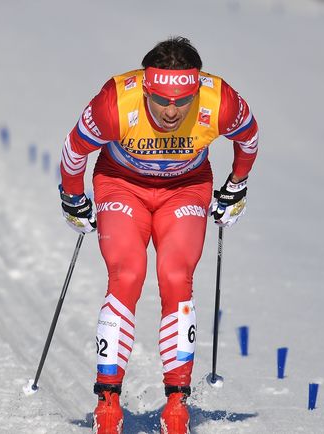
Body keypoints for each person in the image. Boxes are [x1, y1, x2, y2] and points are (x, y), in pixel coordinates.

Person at [58, 36, 259, 434]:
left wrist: (236, 186)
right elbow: (74, 149)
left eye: (182, 101)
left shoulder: (220, 101)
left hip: (186, 187)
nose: (171, 111)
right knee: (127, 274)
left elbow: (248, 138)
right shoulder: (116, 102)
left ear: (196, 90)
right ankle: (107, 404)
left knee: (175, 276)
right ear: (146, 88)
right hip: (121, 184)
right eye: (162, 100)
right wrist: (74, 199)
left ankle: (176, 406)